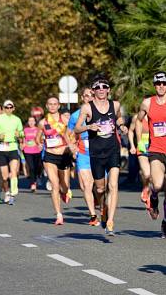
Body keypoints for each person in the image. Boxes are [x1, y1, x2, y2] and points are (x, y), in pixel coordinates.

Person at [74, 76, 128, 236]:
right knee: (100, 188)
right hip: (96, 153)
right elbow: (77, 129)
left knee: (113, 185)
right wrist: (89, 126)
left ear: (109, 89)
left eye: (104, 86)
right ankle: (103, 207)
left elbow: (118, 117)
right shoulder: (87, 108)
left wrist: (122, 125)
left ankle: (110, 221)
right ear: (93, 90)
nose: (101, 89)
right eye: (98, 87)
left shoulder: (115, 104)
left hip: (112, 149)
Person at [135, 71, 166, 238]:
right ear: (154, 85)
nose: (161, 86)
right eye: (158, 84)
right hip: (156, 151)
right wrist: (140, 139)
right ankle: (153, 196)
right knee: (158, 183)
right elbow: (139, 120)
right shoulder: (147, 103)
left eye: (164, 83)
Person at [37, 97, 73, 225]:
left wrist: (71, 145)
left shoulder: (66, 120)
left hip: (64, 155)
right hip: (49, 155)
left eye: (55, 104)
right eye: (50, 104)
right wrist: (40, 144)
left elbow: (73, 135)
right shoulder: (42, 122)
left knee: (64, 186)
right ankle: (59, 215)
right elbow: (38, 138)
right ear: (47, 106)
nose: (52, 106)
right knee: (54, 184)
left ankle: (65, 192)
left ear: (58, 106)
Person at [68, 88, 99, 226]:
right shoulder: (75, 116)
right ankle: (93, 215)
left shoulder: (101, 112)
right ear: (82, 98)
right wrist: (72, 146)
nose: (90, 98)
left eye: (92, 95)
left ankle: (102, 206)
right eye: (87, 96)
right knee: (86, 185)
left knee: (100, 187)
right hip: (83, 154)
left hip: (99, 154)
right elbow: (68, 133)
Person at [0, 100, 23, 205]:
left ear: (13, 108)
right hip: (2, 149)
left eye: (10, 107)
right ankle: (7, 192)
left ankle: (12, 193)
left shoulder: (17, 119)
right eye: (6, 107)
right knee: (4, 176)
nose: (8, 109)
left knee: (14, 172)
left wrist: (19, 134)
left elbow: (21, 133)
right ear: (3, 108)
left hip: (12, 147)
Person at [23, 116, 43, 193]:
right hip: (27, 150)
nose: (31, 122)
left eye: (32, 121)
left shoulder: (38, 129)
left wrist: (41, 144)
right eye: (29, 121)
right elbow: (23, 139)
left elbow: (41, 138)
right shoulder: (25, 130)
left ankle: (38, 176)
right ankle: (33, 183)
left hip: (37, 150)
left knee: (37, 166)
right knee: (31, 167)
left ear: (35, 122)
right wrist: (23, 144)